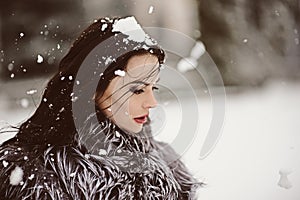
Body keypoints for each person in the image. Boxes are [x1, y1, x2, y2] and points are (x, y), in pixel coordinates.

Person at [0, 16, 201, 199]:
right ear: (93, 88)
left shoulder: (167, 161)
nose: (152, 102)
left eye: (153, 87)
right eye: (138, 89)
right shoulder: (32, 174)